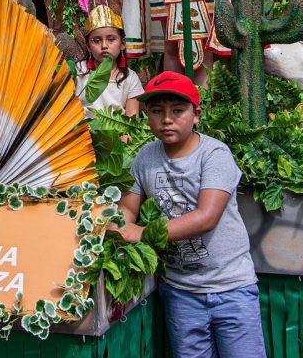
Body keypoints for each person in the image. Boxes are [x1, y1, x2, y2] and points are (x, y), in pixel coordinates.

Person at [113, 72, 264, 357]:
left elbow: (207, 217)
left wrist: (142, 234)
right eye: (157, 111)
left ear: (196, 115)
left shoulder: (214, 154)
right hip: (180, 291)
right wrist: (119, 226)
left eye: (177, 111)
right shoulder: (145, 157)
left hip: (231, 288)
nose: (166, 119)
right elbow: (129, 207)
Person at [76, 5, 142, 116]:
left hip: (117, 127)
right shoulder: (78, 71)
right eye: (96, 41)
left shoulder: (130, 78)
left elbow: (131, 120)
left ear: (122, 43)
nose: (104, 46)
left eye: (111, 39)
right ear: (88, 46)